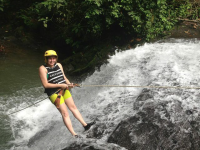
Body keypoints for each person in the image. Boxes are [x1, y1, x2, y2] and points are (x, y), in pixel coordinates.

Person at [39, 50, 95, 137]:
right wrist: (61, 85)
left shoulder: (59, 65)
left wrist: (69, 84)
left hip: (65, 89)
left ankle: (85, 125)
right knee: (65, 113)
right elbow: (45, 85)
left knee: (73, 107)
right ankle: (74, 134)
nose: (52, 60)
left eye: (54, 58)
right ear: (46, 59)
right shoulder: (42, 69)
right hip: (54, 93)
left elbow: (63, 77)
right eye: (49, 59)